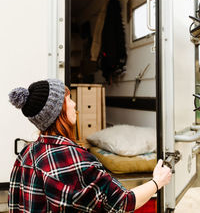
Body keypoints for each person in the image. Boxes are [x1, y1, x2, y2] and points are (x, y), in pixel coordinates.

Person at [8, 78, 171, 212]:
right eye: (68, 99)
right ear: (58, 111)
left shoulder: (26, 153)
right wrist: (158, 181)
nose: (74, 104)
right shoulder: (75, 159)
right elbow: (123, 202)